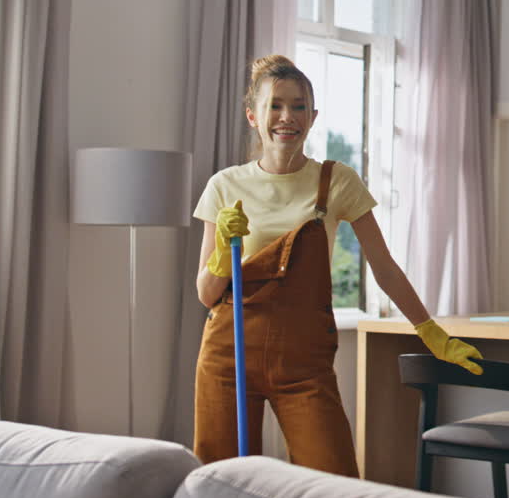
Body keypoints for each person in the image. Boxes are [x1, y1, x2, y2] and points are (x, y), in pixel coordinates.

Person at [192, 54, 483, 475]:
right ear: (253, 116)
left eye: (298, 106)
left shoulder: (336, 181)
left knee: (335, 484)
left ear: (312, 116)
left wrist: (430, 331)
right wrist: (223, 249)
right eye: (275, 105)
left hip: (304, 364)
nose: (287, 116)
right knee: (223, 484)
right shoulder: (224, 185)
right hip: (228, 356)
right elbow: (206, 293)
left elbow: (384, 269)